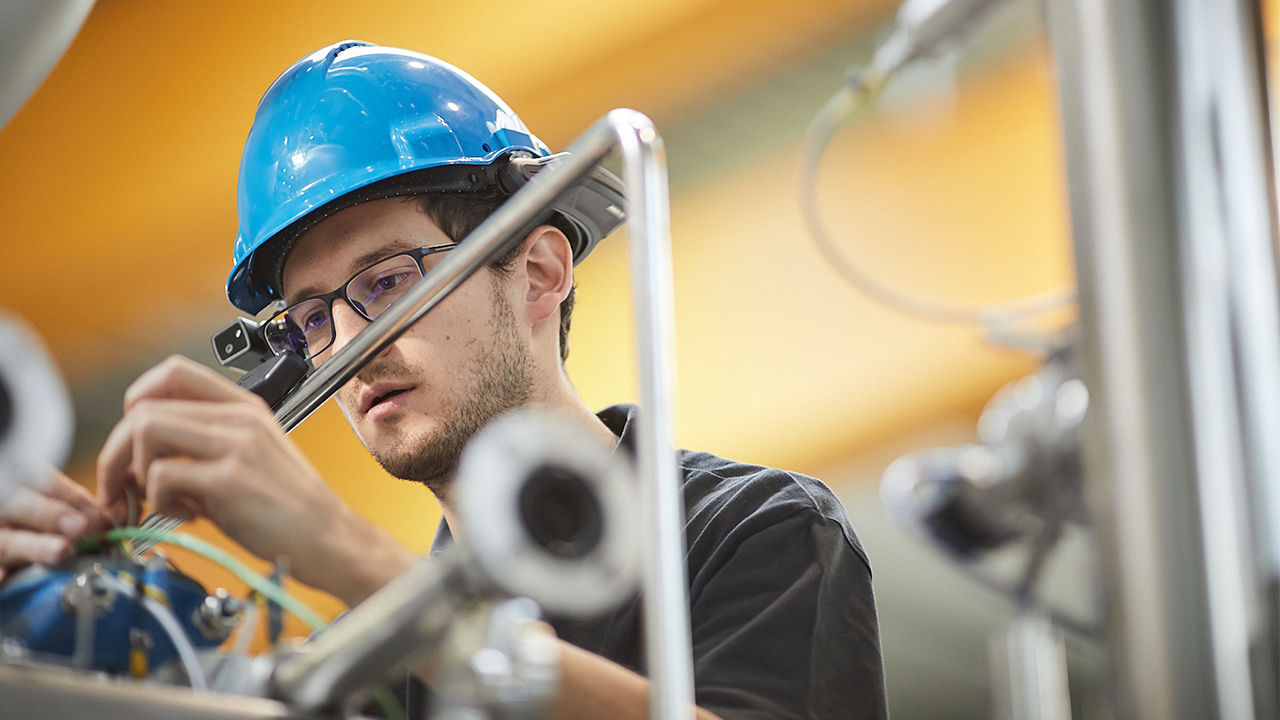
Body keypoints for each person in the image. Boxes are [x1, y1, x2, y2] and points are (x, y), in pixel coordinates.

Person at [0, 42, 888, 719]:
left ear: (539, 271)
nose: (349, 340)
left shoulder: (759, 533)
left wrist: (346, 556)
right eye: (312, 318)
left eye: (386, 282)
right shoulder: (361, 671)